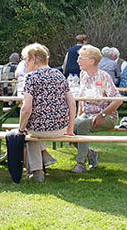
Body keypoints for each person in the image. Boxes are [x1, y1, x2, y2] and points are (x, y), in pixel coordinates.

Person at [16, 43, 75, 182]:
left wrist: (20, 129)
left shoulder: (31, 77)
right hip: (60, 129)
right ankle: (43, 160)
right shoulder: (59, 75)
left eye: (26, 59)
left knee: (28, 131)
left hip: (38, 130)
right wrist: (70, 129)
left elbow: (26, 108)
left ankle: (37, 171)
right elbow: (72, 103)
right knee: (32, 130)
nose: (25, 63)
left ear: (33, 58)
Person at [70, 45, 121, 173]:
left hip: (107, 117)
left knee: (81, 126)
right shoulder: (83, 75)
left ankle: (81, 164)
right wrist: (78, 116)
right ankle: (91, 154)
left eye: (81, 58)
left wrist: (102, 115)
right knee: (69, 127)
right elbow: (82, 99)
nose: (78, 61)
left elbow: (118, 100)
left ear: (91, 61)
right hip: (87, 115)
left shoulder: (103, 76)